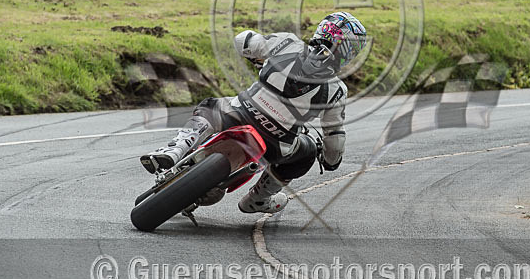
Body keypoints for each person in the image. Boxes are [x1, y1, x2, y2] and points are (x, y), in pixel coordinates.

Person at [140, 12, 367, 214]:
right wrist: (330, 161)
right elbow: (334, 138)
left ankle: (175, 149)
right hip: (277, 145)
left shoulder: (287, 43)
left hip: (238, 113)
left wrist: (257, 58)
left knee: (210, 106)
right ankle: (258, 198)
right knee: (307, 152)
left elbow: (242, 41)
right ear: (347, 51)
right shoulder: (337, 89)